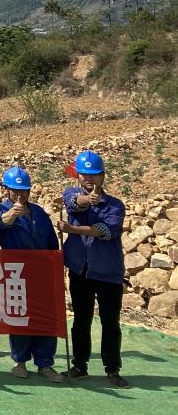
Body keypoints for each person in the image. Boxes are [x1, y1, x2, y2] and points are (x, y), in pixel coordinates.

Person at [60, 150, 129, 388]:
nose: (89, 179)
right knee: (81, 319)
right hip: (80, 270)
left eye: (94, 174)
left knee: (110, 322)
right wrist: (86, 200)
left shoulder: (115, 205)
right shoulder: (71, 193)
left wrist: (73, 230)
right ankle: (80, 366)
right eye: (84, 175)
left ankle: (113, 369)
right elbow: (73, 203)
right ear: (78, 176)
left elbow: (106, 231)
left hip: (108, 272)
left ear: (103, 176)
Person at [0, 166, 62, 383]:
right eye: (15, 190)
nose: (19, 195)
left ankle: (45, 363)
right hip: (16, 274)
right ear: (6, 190)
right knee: (19, 316)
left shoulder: (38, 212)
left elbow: (51, 242)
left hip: (42, 274)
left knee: (45, 317)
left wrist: (55, 263)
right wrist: (10, 215)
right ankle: (20, 361)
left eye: (23, 190)